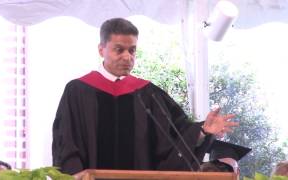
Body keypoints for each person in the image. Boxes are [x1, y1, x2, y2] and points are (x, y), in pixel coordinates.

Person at [52, 17, 239, 175]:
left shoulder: (148, 93)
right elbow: (67, 145)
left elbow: (177, 136)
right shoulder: (77, 91)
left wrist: (203, 131)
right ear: (101, 49)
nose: (127, 57)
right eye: (119, 49)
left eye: (132, 50)